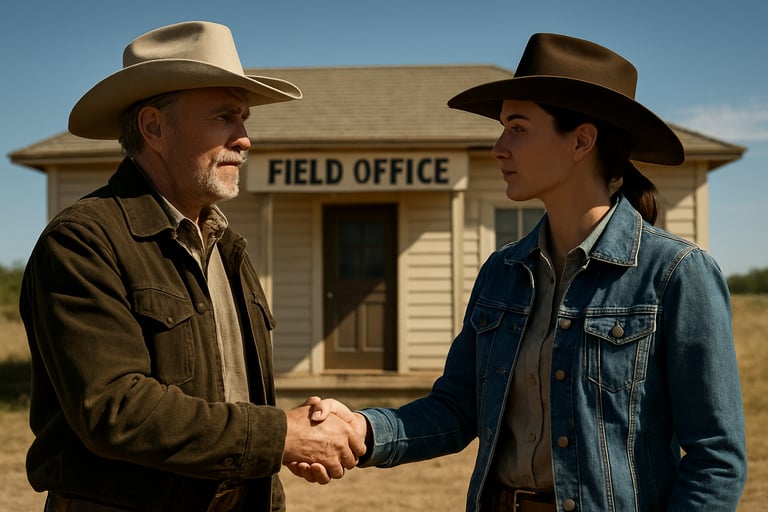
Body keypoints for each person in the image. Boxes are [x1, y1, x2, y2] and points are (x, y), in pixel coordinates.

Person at [300, 33, 748, 511]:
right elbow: (456, 408)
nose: (498, 147)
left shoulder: (675, 274)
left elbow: (716, 459)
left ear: (581, 141)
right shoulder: (503, 272)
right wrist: (361, 429)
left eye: (517, 127)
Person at [19, 21, 365, 512]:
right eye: (225, 117)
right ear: (154, 127)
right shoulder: (84, 240)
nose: (244, 139)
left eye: (244, 120)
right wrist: (281, 436)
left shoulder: (228, 247)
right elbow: (116, 409)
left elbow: (243, 400)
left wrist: (279, 457)